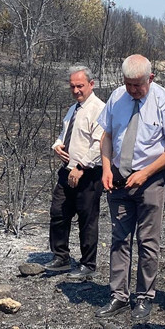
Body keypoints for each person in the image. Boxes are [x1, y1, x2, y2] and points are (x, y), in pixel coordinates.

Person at [94, 54, 165, 321]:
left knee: (148, 241)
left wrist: (145, 173)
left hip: (151, 180)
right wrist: (105, 168)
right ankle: (118, 296)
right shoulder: (116, 98)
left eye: (139, 85)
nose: (134, 90)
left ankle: (145, 297)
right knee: (119, 238)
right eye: (129, 85)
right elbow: (107, 135)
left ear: (151, 78)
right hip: (119, 178)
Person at [44, 66, 106, 281]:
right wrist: (58, 145)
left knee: (87, 219)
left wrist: (82, 167)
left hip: (88, 173)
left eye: (80, 86)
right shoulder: (74, 108)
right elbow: (64, 134)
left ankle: (88, 264)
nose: (76, 90)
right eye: (73, 86)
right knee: (58, 212)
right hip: (68, 169)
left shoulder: (99, 109)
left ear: (91, 84)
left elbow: (100, 143)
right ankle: (61, 257)